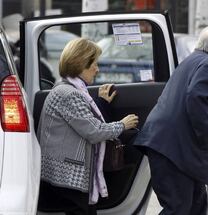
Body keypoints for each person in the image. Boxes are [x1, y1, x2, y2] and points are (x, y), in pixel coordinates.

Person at [134, 25, 208, 214]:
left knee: (196, 206)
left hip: (169, 147)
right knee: (178, 208)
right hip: (175, 151)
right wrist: (206, 141)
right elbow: (196, 97)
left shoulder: (192, 60)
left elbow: (198, 97)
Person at [37, 38, 138, 215]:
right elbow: (94, 131)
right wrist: (122, 125)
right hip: (68, 174)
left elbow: (84, 122)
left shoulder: (68, 89)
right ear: (81, 63)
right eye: (95, 64)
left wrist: (101, 104)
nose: (97, 69)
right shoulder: (69, 94)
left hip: (64, 172)